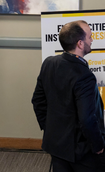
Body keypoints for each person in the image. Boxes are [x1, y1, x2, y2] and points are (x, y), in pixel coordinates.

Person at [32, 20, 105, 171]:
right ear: (80, 43)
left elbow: (38, 101)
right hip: (82, 152)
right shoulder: (84, 76)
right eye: (90, 37)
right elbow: (87, 119)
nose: (92, 40)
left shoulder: (49, 63)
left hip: (56, 145)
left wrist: (51, 129)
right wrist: (98, 146)